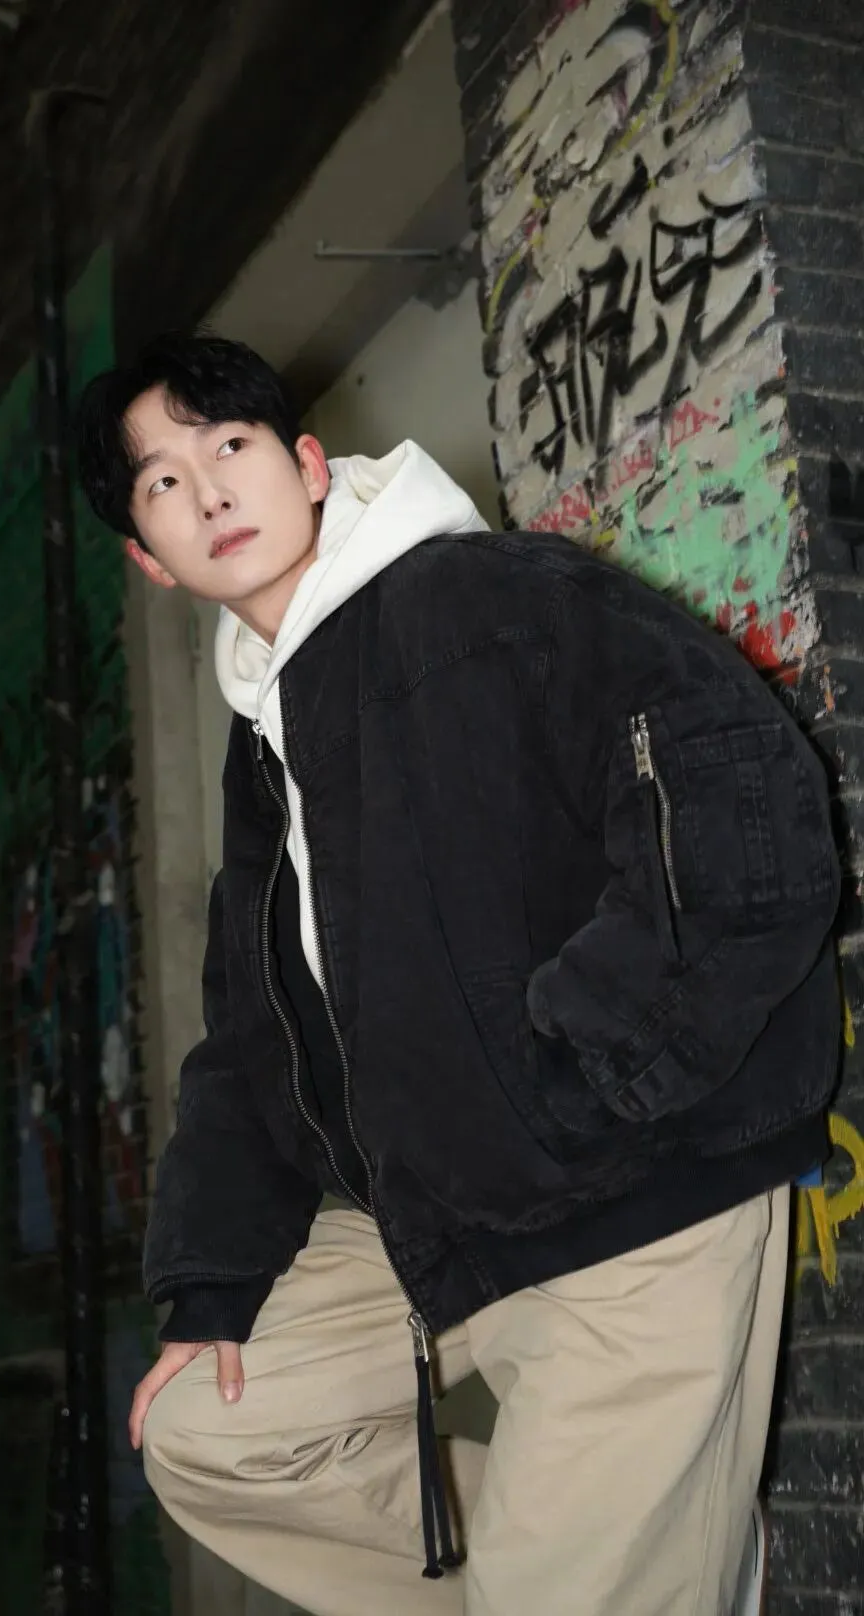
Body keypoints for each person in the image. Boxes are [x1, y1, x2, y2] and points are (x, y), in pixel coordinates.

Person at [77, 331, 840, 1616]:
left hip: (628, 1191)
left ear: (307, 466)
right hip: (440, 1211)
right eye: (162, 481)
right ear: (151, 559)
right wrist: (210, 1282)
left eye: (230, 445)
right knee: (211, 1434)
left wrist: (590, 1075)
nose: (207, 490)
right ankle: (646, 1558)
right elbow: (254, 1040)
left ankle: (647, 1555)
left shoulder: (486, 597)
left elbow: (746, 791)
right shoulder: (268, 736)